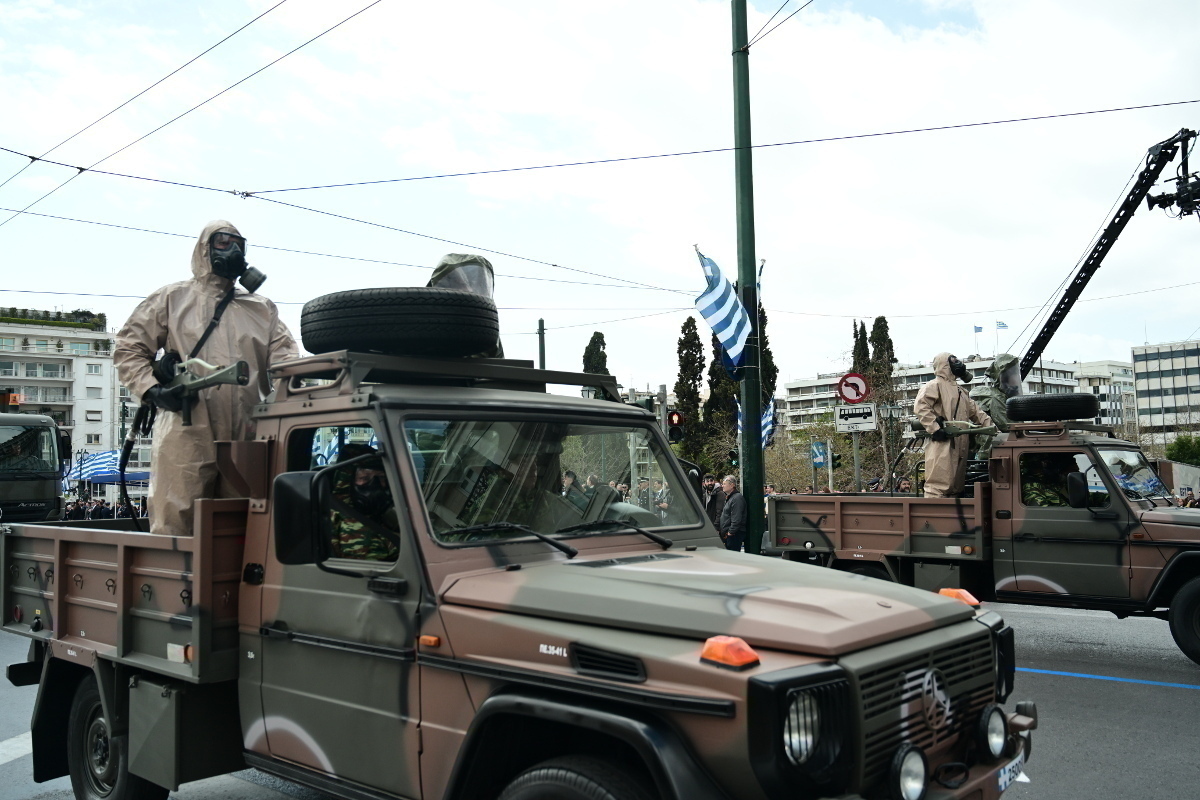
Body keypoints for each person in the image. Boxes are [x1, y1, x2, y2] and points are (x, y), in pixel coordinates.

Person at [115, 221, 298, 535]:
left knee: (243, 525)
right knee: (177, 518)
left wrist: (286, 410)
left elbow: (287, 366)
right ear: (205, 249)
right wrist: (153, 391)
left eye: (238, 244)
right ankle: (174, 569)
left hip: (246, 431)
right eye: (223, 242)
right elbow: (129, 347)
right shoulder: (173, 299)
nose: (233, 250)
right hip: (187, 425)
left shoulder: (261, 310)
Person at [914, 353, 993, 498]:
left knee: (956, 485)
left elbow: (978, 413)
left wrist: (996, 430)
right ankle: (933, 511)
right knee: (938, 485)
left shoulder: (961, 391)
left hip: (960, 442)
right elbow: (921, 406)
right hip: (942, 442)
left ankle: (953, 510)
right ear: (945, 364)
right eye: (954, 361)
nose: (958, 363)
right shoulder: (934, 385)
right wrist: (935, 428)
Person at [329, 444, 400, 560]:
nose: (375, 485)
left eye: (381, 477)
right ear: (347, 482)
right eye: (364, 478)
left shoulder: (382, 515)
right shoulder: (342, 523)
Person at [971, 353, 1020, 459]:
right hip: (988, 452)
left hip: (993, 448)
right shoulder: (995, 397)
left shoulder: (1002, 395)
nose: (1016, 378)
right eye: (1013, 374)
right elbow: (1010, 426)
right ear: (1004, 378)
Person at [718, 476, 747, 551]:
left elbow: (736, 517)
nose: (722, 486)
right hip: (730, 534)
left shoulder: (737, 498)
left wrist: (730, 532)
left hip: (734, 535)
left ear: (732, 485)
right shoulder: (730, 498)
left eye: (724, 484)